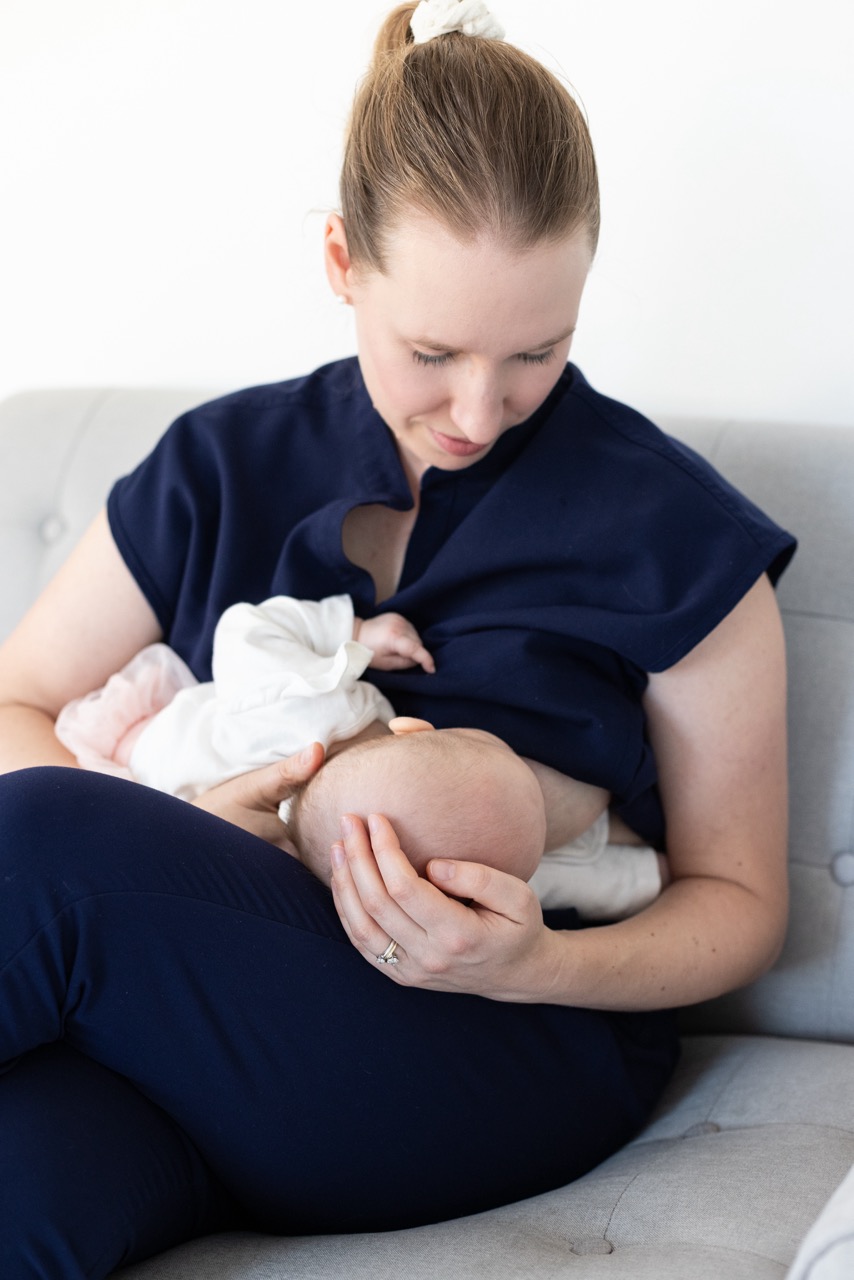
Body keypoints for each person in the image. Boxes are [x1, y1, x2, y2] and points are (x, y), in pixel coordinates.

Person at [0, 2, 795, 1276]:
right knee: (19, 1180)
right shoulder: (220, 461)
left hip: (492, 1048)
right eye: (431, 350)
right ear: (339, 263)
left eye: (537, 350)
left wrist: (531, 963)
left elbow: (740, 906)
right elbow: (16, 702)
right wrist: (185, 829)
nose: (479, 409)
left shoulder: (675, 534)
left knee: (43, 839)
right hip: (212, 1039)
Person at [54, 590, 663, 910]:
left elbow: (247, 628)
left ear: (414, 728)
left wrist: (351, 631)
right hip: (149, 763)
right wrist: (653, 873)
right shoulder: (376, 887)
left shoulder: (298, 696)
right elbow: (575, 884)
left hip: (153, 749)